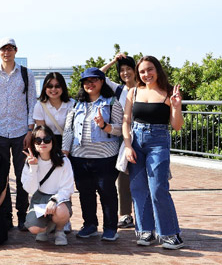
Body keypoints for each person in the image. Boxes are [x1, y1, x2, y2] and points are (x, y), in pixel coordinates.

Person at [123, 56, 184, 249]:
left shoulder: (168, 93)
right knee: (138, 188)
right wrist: (127, 146)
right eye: (142, 71)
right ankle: (145, 231)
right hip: (136, 141)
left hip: (158, 141)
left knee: (158, 188)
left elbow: (176, 126)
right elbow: (126, 121)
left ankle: (169, 234)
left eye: (150, 70)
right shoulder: (133, 92)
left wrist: (176, 106)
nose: (146, 74)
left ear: (157, 70)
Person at [62, 68, 123, 242]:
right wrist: (65, 152)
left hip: (105, 157)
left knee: (107, 192)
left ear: (102, 82)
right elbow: (68, 129)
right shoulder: (76, 104)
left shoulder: (112, 103)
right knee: (85, 192)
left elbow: (120, 128)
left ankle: (111, 228)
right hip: (79, 156)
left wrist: (105, 126)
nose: (90, 84)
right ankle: (89, 225)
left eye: (94, 80)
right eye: (86, 81)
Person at [0, 38, 36, 231]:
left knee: (23, 176)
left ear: (16, 50)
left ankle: (23, 215)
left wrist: (30, 130)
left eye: (10, 49)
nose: (7, 52)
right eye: (3, 49)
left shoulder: (25, 73)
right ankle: (5, 216)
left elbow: (32, 102)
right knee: (1, 176)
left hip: (21, 132)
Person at [100, 53, 138, 229]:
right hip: (125, 137)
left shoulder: (144, 88)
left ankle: (143, 214)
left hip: (143, 136)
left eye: (128, 69)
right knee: (123, 177)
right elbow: (98, 74)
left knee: (142, 178)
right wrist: (114, 60)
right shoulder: (119, 90)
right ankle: (125, 215)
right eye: (121, 70)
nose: (125, 73)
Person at [22, 125, 75, 246]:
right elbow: (30, 189)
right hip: (39, 197)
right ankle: (46, 227)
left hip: (59, 198)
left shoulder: (63, 160)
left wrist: (55, 200)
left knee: (61, 211)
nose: (42, 143)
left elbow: (68, 188)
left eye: (46, 139)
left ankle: (60, 230)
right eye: (38, 140)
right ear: (33, 143)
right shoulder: (30, 161)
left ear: (52, 141)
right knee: (34, 228)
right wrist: (33, 167)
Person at [33, 72, 74, 149]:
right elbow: (42, 131)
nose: (53, 89)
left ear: (63, 87)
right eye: (50, 86)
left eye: (57, 86)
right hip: (48, 143)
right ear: (45, 88)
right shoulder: (39, 106)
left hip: (69, 144)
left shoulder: (72, 104)